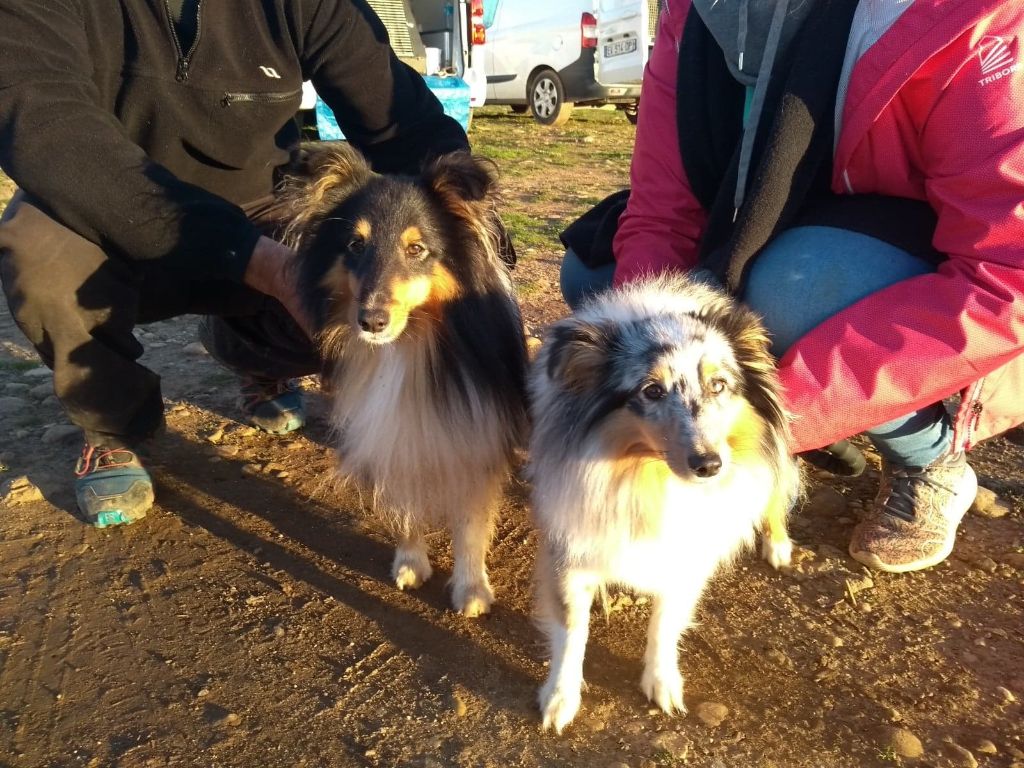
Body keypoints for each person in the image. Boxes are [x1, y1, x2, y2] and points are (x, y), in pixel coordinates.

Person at [560, 0, 1024, 573]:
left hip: (912, 245)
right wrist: (642, 333)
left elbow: (1007, 278)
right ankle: (819, 413)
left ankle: (929, 459)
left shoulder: (973, 20)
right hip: (764, 213)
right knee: (594, 277)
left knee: (788, 291)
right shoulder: (697, 12)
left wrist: (775, 413)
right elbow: (662, 204)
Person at [0, 0, 470, 527]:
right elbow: (42, 123)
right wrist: (254, 260)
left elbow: (402, 121)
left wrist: (466, 226)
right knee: (37, 251)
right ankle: (112, 424)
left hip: (261, 206)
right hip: (101, 202)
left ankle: (255, 356)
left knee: (342, 277)